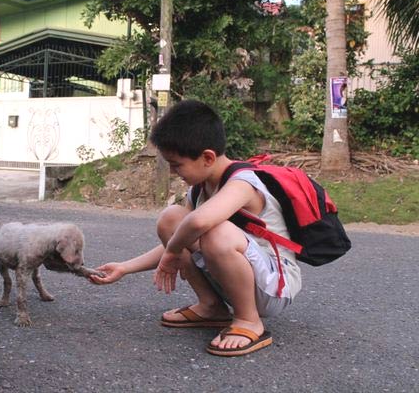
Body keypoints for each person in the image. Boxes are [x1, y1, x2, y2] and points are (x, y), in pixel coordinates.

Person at [89, 100, 302, 357]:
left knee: (213, 231)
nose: (172, 171)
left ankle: (248, 320)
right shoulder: (199, 190)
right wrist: (125, 267)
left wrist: (173, 252)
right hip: (242, 279)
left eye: (176, 164)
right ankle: (212, 306)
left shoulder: (243, 183)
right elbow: (179, 236)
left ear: (208, 157)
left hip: (274, 287)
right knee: (172, 220)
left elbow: (199, 224)